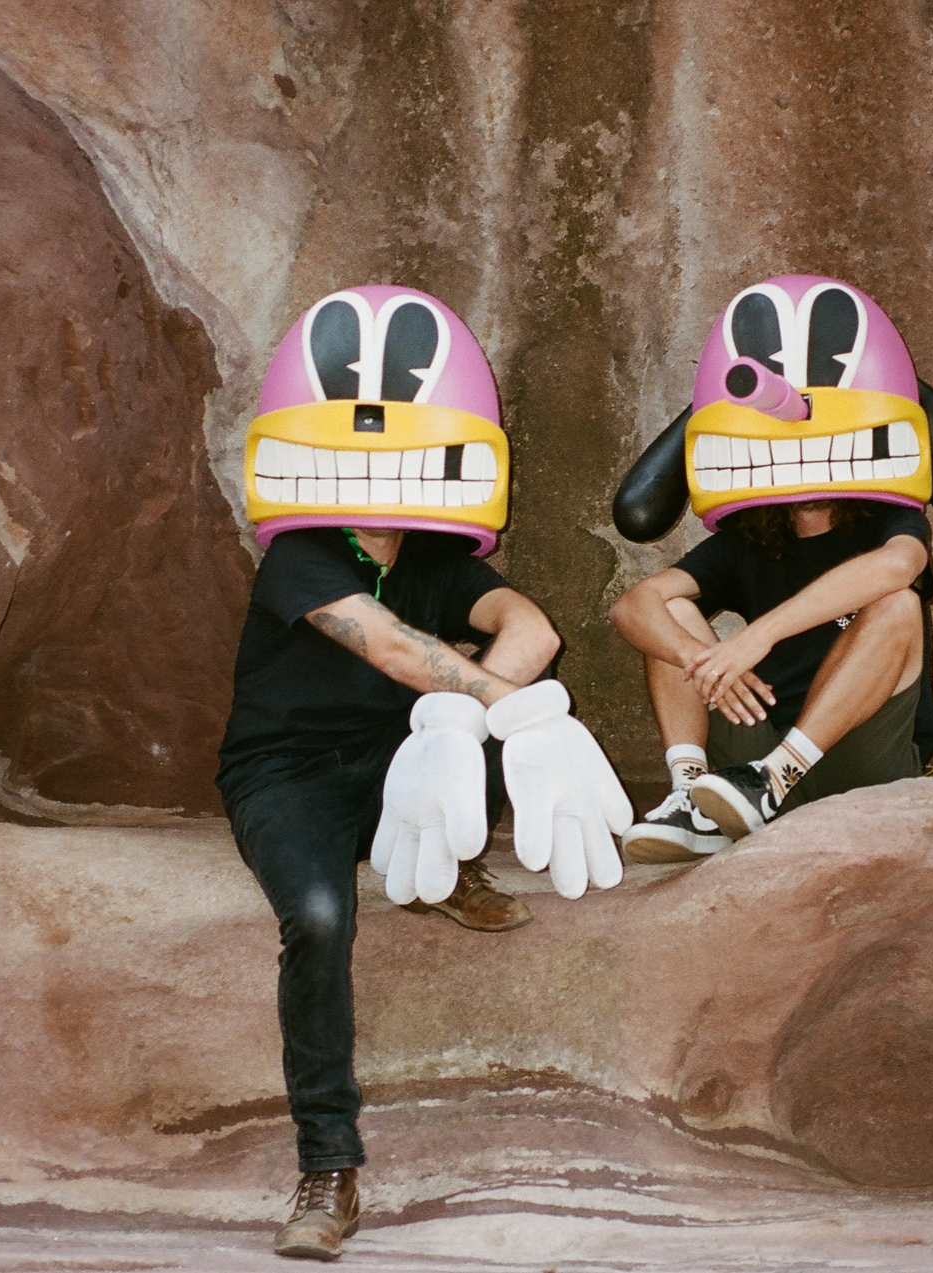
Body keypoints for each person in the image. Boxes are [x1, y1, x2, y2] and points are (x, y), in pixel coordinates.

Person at [217, 285, 628, 1260]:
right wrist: (506, 704)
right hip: (288, 773)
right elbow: (398, 652)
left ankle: (448, 859)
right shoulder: (301, 556)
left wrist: (495, 708)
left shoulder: (440, 552)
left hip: (404, 764)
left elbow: (534, 626)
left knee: (460, 725)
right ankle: (330, 1168)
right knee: (318, 918)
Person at [608, 274, 933, 857]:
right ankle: (692, 796)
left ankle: (779, 775)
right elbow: (633, 606)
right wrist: (700, 658)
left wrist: (756, 637)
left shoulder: (885, 524)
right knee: (667, 609)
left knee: (898, 603)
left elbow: (900, 567)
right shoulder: (749, 540)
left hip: (855, 754)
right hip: (750, 759)